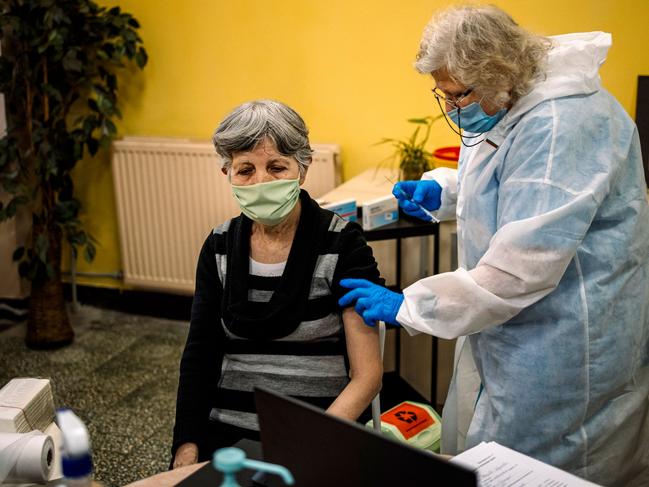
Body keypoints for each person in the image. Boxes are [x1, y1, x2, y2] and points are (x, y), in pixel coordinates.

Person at [338, 5, 649, 486]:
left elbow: (522, 268)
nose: (454, 107)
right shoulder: (508, 96)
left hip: (566, 340)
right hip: (518, 329)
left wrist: (411, 304)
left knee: (548, 468)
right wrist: (446, 191)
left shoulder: (562, 122)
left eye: (459, 95)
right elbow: (513, 177)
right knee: (492, 455)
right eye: (445, 94)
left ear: (497, 73)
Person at [172, 100, 383, 468]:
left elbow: (366, 376)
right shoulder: (218, 246)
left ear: (302, 170)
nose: (261, 183)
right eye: (245, 170)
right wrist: (186, 449)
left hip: (318, 432)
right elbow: (199, 358)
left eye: (276, 167)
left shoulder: (342, 244)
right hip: (228, 439)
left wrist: (308, 446)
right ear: (228, 173)